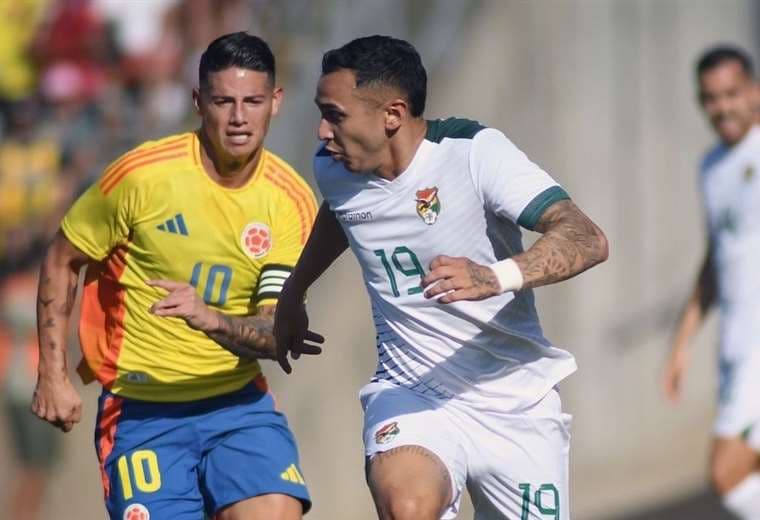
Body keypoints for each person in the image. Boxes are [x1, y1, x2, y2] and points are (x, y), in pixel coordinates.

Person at [274, 35, 608, 520]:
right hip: (413, 394)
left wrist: (496, 277)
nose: (322, 131)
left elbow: (586, 237)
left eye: (336, 114)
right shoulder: (334, 168)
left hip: (515, 401)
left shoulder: (473, 153)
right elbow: (342, 214)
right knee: (409, 506)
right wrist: (294, 290)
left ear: (392, 114)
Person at [31, 32, 319, 520]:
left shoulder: (290, 202)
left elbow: (275, 335)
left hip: (237, 406)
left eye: (252, 101)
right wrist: (52, 374)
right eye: (223, 101)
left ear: (276, 102)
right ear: (197, 101)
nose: (238, 118)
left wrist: (210, 320)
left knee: (274, 512)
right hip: (142, 411)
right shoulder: (141, 178)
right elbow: (63, 260)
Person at [663, 45, 760, 519]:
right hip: (735, 351)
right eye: (710, 98)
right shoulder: (711, 168)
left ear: (755, 91)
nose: (721, 107)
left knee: (727, 473)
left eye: (731, 94)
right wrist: (683, 342)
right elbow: (716, 260)